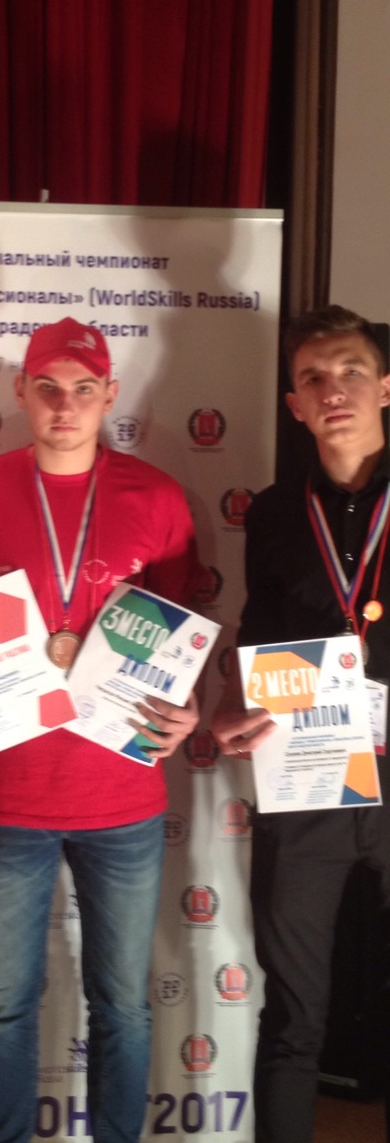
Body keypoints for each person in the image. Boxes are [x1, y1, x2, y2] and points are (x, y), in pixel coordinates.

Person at [0, 317, 200, 1143]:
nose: (64, 406)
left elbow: (183, 637)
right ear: (21, 391)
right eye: (47, 388)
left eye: (83, 389)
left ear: (110, 395)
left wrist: (185, 709)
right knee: (4, 1006)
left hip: (123, 799)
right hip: (9, 795)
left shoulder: (158, 497)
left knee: (123, 1005)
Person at [211, 304, 390, 1143]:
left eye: (351, 371)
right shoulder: (277, 513)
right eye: (314, 378)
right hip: (311, 778)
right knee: (292, 1017)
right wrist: (241, 703)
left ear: (385, 387)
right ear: (294, 404)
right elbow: (259, 632)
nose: (334, 390)